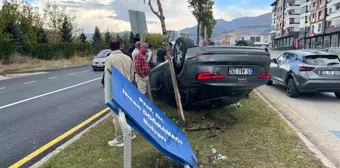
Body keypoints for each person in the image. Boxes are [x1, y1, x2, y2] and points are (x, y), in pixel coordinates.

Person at [103, 38, 136, 147]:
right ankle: (131, 133)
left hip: (115, 91)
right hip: (126, 89)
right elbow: (132, 74)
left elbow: (108, 76)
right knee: (127, 113)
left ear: (110, 47)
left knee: (116, 116)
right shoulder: (128, 58)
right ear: (120, 45)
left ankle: (120, 138)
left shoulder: (109, 59)